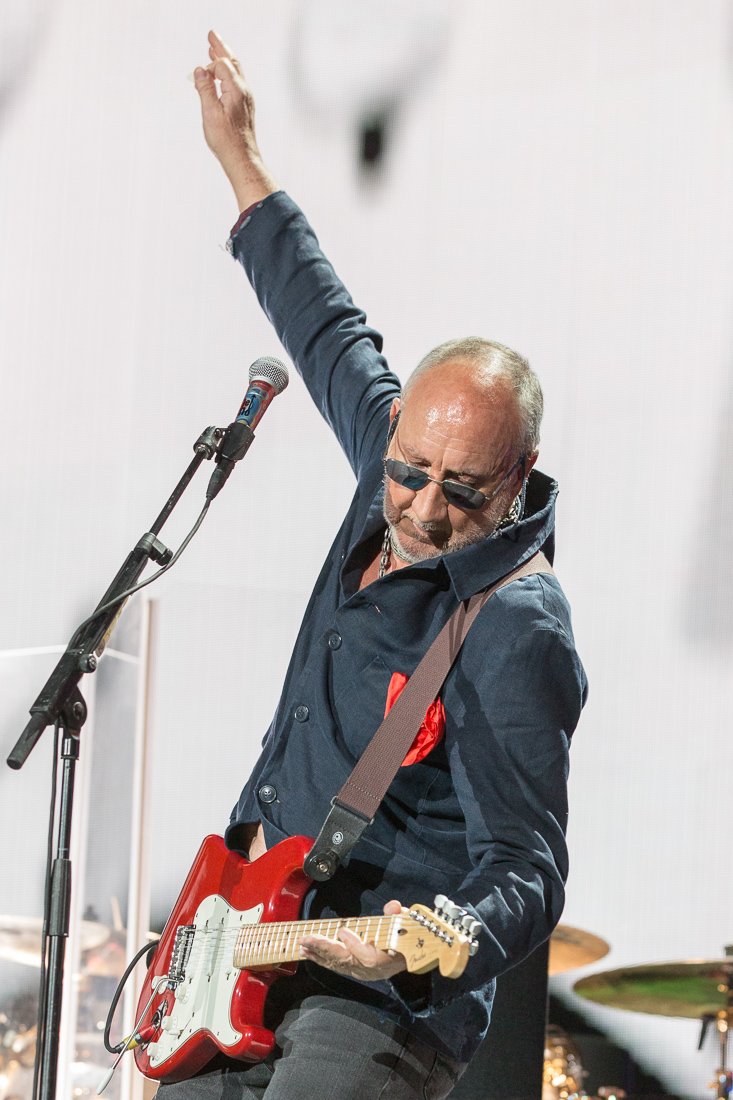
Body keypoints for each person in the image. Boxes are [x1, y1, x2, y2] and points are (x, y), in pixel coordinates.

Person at [161, 30, 587, 1100]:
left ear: (519, 473)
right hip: (244, 936)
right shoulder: (387, 462)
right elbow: (325, 325)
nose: (423, 508)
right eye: (409, 473)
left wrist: (445, 935)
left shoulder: (517, 622)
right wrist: (242, 160)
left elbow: (529, 867)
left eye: (462, 489)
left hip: (379, 993)